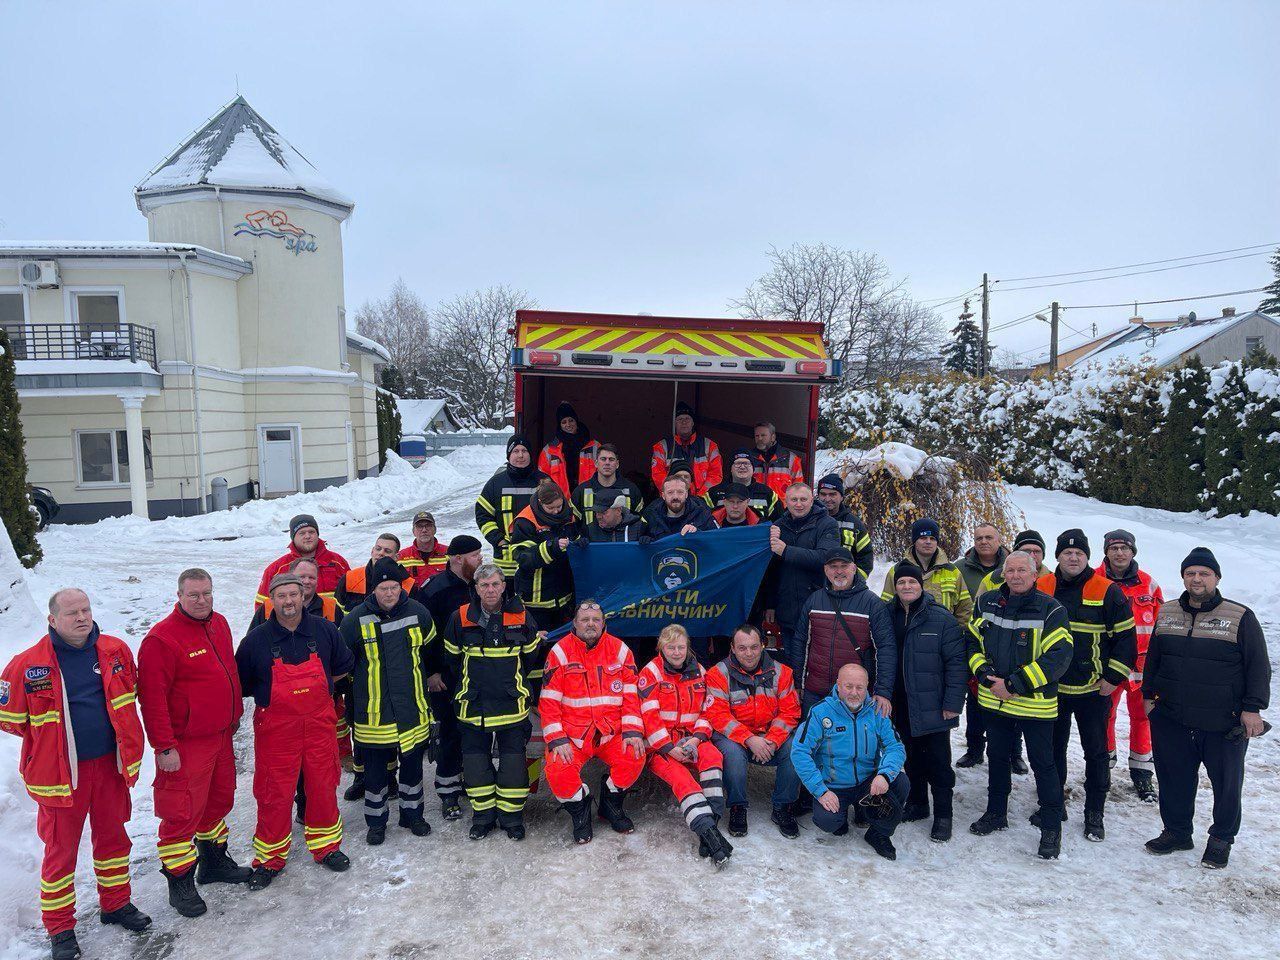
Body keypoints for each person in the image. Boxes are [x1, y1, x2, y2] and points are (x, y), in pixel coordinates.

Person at [1, 589, 151, 960]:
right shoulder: (27, 664)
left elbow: (127, 698)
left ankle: (116, 904)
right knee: (61, 852)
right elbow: (10, 720)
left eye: (85, 610)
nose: (82, 617)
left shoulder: (115, 651)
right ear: (53, 620)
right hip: (60, 777)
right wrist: (51, 746)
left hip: (110, 768)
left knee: (114, 841)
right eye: (72, 613)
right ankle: (60, 928)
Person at [1142, 547, 1271, 869]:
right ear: (1183, 577)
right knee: (1173, 778)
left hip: (1222, 720)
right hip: (1172, 715)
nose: (1196, 579)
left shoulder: (1239, 616)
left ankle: (1221, 839)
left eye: (1204, 573)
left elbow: (1258, 666)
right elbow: (1154, 658)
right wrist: (1148, 695)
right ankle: (1177, 831)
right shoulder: (1167, 612)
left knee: (1227, 784)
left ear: (1216, 577)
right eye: (1190, 573)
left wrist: (1253, 708)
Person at [138, 569, 250, 921]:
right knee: (181, 812)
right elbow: (152, 699)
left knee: (218, 801)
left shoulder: (219, 623)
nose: (202, 601)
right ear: (180, 595)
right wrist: (163, 747)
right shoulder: (162, 639)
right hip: (185, 743)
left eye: (207, 593)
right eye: (194, 595)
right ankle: (180, 881)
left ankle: (213, 862)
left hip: (219, 735)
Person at [236, 573, 354, 888]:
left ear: (303, 596)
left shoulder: (326, 631)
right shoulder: (255, 641)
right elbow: (243, 684)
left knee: (323, 786)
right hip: (277, 730)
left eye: (294, 594)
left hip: (318, 726)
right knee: (274, 793)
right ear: (271, 600)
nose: (288, 601)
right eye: (281, 596)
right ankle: (270, 859)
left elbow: (343, 666)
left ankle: (326, 847)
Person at [967, 551, 1073, 860]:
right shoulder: (986, 603)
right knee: (997, 757)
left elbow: (1057, 658)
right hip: (994, 700)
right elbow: (972, 641)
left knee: (1044, 764)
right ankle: (996, 812)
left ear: (1035, 573)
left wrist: (1014, 684)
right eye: (1010, 570)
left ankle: (1051, 828)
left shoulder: (1052, 610)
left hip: (1034, 705)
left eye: (1021, 571)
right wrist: (985, 675)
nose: (1015, 576)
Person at [1037, 530, 1136, 842]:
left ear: (1088, 556)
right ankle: (1053, 805)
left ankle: (1095, 812)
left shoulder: (1107, 590)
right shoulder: (1041, 586)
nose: (1073, 557)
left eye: (1079, 552)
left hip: (1093, 691)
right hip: (1051, 689)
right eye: (1067, 553)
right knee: (1052, 751)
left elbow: (1126, 641)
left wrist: (1112, 678)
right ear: (1058, 557)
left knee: (1096, 753)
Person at [338, 557, 438, 846]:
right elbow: (343, 664)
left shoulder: (419, 613)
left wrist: (432, 676)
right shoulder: (354, 620)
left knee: (412, 768)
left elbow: (430, 654)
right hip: (373, 713)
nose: (390, 593)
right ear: (374, 589)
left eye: (394, 587)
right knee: (375, 773)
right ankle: (377, 822)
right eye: (383, 588)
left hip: (412, 709)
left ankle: (412, 815)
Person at [443, 564, 540, 841]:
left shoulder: (521, 616)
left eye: (496, 584)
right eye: (484, 585)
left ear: (503, 585)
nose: (491, 590)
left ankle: (511, 819)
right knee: (475, 766)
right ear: (476, 588)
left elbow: (530, 656)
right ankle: (483, 817)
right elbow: (452, 660)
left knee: (513, 767)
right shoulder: (460, 617)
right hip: (473, 707)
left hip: (512, 706)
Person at [540, 601, 647, 844]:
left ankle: (610, 805)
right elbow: (549, 702)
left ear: (603, 624)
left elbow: (632, 696)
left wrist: (632, 731)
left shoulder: (621, 651)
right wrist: (557, 739)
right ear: (575, 624)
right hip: (573, 737)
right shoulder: (560, 652)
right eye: (585, 619)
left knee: (635, 754)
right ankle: (580, 809)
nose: (590, 624)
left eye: (596, 620)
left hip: (610, 734)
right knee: (558, 774)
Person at [637, 624, 734, 866]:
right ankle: (709, 834)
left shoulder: (700, 671)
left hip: (692, 738)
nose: (677, 652)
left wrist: (697, 738)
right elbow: (648, 718)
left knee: (713, 759)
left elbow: (707, 709)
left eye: (681, 647)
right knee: (683, 780)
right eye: (671, 647)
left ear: (688, 647)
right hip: (661, 746)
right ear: (661, 647)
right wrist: (670, 748)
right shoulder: (650, 673)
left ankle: (710, 826)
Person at [792, 664, 909, 859]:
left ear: (867, 687)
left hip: (867, 784)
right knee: (829, 822)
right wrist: (820, 791)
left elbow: (895, 747)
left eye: (859, 687)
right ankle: (842, 816)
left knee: (901, 782)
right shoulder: (821, 712)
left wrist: (884, 775)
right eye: (848, 686)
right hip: (834, 786)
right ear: (838, 685)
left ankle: (878, 833)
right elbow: (800, 752)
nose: (854, 693)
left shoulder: (876, 711)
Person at [887, 563, 967, 842]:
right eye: (901, 582)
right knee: (910, 756)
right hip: (901, 702)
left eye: (912, 581)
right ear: (895, 587)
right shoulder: (888, 615)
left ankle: (944, 814)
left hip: (933, 703)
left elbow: (957, 664)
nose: (907, 586)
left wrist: (953, 702)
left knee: (939, 762)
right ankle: (918, 803)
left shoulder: (941, 619)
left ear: (921, 585)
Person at [705, 624, 802, 839]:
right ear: (732, 648)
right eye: (742, 648)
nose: (749, 654)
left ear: (763, 646)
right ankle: (738, 807)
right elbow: (718, 716)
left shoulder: (782, 673)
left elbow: (790, 712)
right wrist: (749, 739)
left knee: (796, 748)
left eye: (754, 647)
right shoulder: (717, 674)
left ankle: (783, 806)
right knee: (731, 754)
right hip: (737, 738)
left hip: (769, 737)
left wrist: (772, 741)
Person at [963, 528, 1047, 774]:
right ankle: (975, 748)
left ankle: (1015, 754)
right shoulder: (993, 578)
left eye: (1035, 551)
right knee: (979, 704)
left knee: (1018, 709)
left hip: (1029, 654)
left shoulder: (1050, 578)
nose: (1031, 553)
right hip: (992, 646)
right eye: (1025, 549)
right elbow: (978, 611)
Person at [414, 534, 484, 819]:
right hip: (444, 676)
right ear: (457, 558)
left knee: (474, 731)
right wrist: (431, 671)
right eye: (475, 555)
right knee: (449, 734)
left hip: (475, 673)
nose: (481, 559)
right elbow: (422, 636)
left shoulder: (480, 585)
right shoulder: (434, 589)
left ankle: (469, 780)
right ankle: (448, 792)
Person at [1097, 528, 1164, 802]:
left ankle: (1142, 772)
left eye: (1124, 548)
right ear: (1106, 552)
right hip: (1107, 664)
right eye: (1114, 548)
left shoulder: (1149, 584)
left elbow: (1161, 624)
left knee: (1143, 718)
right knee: (1104, 716)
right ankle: (1104, 764)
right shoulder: (1094, 579)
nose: (1119, 553)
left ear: (1132, 551)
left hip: (1142, 666)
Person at [789, 547, 896, 716]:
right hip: (815, 692)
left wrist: (882, 691)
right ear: (825, 570)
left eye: (844, 566)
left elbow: (885, 649)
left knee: (851, 742)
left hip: (854, 695)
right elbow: (801, 643)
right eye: (833, 567)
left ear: (854, 568)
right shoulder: (814, 600)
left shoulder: (872, 604)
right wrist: (798, 683)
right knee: (812, 740)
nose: (839, 571)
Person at [954, 523, 1009, 769]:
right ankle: (974, 749)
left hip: (1007, 643)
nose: (984, 542)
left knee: (1009, 696)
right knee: (975, 698)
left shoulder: (1012, 566)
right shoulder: (960, 569)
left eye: (989, 537)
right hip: (971, 641)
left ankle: (1014, 753)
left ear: (999, 540)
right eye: (979, 538)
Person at [765, 482, 840, 660]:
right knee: (793, 659)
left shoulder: (827, 524)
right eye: (794, 499)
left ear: (812, 500)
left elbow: (825, 559)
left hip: (818, 605)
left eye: (803, 499)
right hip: (787, 607)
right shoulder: (778, 526)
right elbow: (770, 571)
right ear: (786, 501)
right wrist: (770, 604)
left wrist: (786, 551)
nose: (799, 504)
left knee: (819, 660)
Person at [475, 434, 551, 586]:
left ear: (530, 454)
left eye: (524, 451)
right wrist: (498, 540)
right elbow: (483, 515)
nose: (520, 455)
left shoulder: (544, 481)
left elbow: (557, 514)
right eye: (515, 451)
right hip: (506, 562)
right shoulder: (496, 483)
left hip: (538, 557)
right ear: (509, 455)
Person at [510, 480, 584, 632]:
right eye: (550, 508)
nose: (556, 511)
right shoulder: (525, 521)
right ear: (539, 503)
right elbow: (523, 557)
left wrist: (580, 542)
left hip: (564, 598)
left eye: (559, 506)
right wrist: (551, 547)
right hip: (536, 601)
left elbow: (574, 538)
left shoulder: (569, 515)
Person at [879, 518, 972, 622]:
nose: (928, 542)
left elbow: (965, 610)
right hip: (908, 635)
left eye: (932, 538)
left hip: (944, 635)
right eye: (923, 538)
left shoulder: (952, 571)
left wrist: (956, 634)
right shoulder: (897, 571)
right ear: (914, 541)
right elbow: (885, 609)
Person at [253, 513, 350, 611]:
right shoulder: (276, 570)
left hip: (332, 624)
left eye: (311, 532)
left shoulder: (339, 563)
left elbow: (353, 598)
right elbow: (262, 607)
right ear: (293, 538)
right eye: (302, 533)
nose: (307, 536)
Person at [651, 400, 723, 497]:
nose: (684, 422)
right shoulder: (662, 447)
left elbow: (716, 475)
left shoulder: (710, 445)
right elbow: (658, 475)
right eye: (680, 419)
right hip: (673, 500)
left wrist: (701, 496)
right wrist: (674, 494)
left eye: (687, 418)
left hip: (702, 499)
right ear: (674, 423)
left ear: (693, 422)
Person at [335, 534, 415, 614]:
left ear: (396, 557)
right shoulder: (350, 578)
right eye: (378, 549)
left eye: (387, 551)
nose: (381, 553)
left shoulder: (408, 584)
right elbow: (337, 614)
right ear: (372, 551)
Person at [815, 474, 873, 580]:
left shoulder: (854, 524)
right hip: (812, 586)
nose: (827, 499)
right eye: (823, 494)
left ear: (841, 497)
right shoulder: (809, 519)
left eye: (832, 494)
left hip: (842, 586)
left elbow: (865, 558)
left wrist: (852, 581)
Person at [539, 401, 602, 497]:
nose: (568, 424)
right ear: (559, 425)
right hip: (560, 505)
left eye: (571, 420)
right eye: (564, 422)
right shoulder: (549, 451)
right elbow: (542, 482)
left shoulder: (595, 447)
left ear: (576, 420)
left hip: (589, 502)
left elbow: (606, 474)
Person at [572, 443, 644, 525]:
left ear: (617, 464)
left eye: (611, 459)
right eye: (603, 459)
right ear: (596, 463)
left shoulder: (632, 490)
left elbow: (640, 522)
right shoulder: (580, 491)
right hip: (591, 538)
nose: (607, 463)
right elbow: (574, 526)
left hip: (624, 537)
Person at [706, 449, 781, 520]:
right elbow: (703, 519)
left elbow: (779, 522)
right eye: (737, 463)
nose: (742, 467)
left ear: (753, 468)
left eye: (746, 463)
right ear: (731, 469)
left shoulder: (767, 493)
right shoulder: (714, 493)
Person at [643, 475, 718, 539]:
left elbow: (716, 540)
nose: (675, 497)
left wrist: (698, 534)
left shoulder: (702, 514)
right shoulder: (651, 516)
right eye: (670, 492)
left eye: (680, 492)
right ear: (663, 496)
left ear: (686, 494)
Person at [751, 420, 805, 498]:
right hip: (755, 508)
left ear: (773, 437)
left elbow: (799, 488)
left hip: (783, 509)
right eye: (757, 436)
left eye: (763, 435)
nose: (759, 438)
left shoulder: (791, 459)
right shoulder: (749, 458)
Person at [398, 511, 449, 587]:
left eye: (428, 526)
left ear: (435, 529)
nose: (424, 530)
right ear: (413, 532)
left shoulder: (449, 553)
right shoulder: (401, 557)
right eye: (419, 526)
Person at [584, 494, 648, 542]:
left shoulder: (639, 528)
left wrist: (648, 543)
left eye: (603, 512)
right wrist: (579, 549)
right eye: (596, 512)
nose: (598, 516)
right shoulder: (590, 530)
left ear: (618, 511)